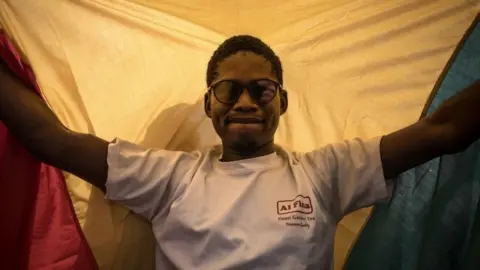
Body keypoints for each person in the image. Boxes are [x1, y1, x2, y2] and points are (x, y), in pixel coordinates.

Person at [0, 35, 478, 269]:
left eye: (262, 90)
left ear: (282, 102)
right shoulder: (168, 177)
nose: (245, 103)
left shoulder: (327, 173)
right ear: (210, 103)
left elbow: (444, 131)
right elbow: (51, 141)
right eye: (229, 90)